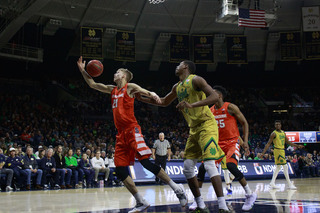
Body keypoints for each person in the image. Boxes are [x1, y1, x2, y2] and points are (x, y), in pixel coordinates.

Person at [77, 56, 187, 213]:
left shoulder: (129, 87)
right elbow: (93, 84)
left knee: (146, 163)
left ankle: (177, 189)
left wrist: (153, 94)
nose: (114, 74)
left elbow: (144, 91)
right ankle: (140, 201)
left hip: (133, 130)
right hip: (121, 135)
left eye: (117, 72)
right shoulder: (112, 89)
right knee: (120, 170)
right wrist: (82, 70)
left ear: (123, 75)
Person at [137, 60, 230, 212]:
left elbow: (214, 97)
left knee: (209, 164)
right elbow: (163, 101)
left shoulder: (196, 79)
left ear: (185, 67)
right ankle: (200, 205)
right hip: (193, 129)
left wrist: (191, 105)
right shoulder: (177, 86)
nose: (176, 66)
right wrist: (143, 99)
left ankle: (223, 206)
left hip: (207, 124)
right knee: (187, 168)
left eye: (179, 64)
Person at [189, 85, 256, 211]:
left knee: (230, 166)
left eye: (212, 94)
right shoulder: (210, 110)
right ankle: (197, 200)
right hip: (217, 144)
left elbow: (244, 123)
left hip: (232, 142)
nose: (210, 96)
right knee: (203, 168)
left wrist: (245, 141)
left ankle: (250, 194)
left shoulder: (230, 107)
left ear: (219, 95)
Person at [261, 120, 304, 189]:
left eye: (279, 124)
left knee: (278, 167)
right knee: (285, 166)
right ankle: (289, 184)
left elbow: (288, 142)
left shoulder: (283, 132)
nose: (277, 125)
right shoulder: (273, 133)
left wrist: (297, 145)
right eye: (276, 124)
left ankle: (272, 183)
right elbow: (268, 143)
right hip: (277, 150)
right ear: (275, 126)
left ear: (281, 125)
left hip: (282, 150)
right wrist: (263, 153)